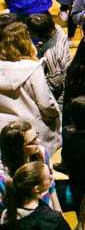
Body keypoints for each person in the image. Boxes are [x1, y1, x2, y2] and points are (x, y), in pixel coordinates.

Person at [0, 22, 61, 160]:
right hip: (32, 131)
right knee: (36, 171)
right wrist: (56, 114)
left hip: (5, 130)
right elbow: (46, 104)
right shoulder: (32, 68)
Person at [1, 162, 69, 230]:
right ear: (36, 189)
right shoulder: (53, 220)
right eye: (49, 177)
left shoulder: (6, 215)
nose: (52, 177)